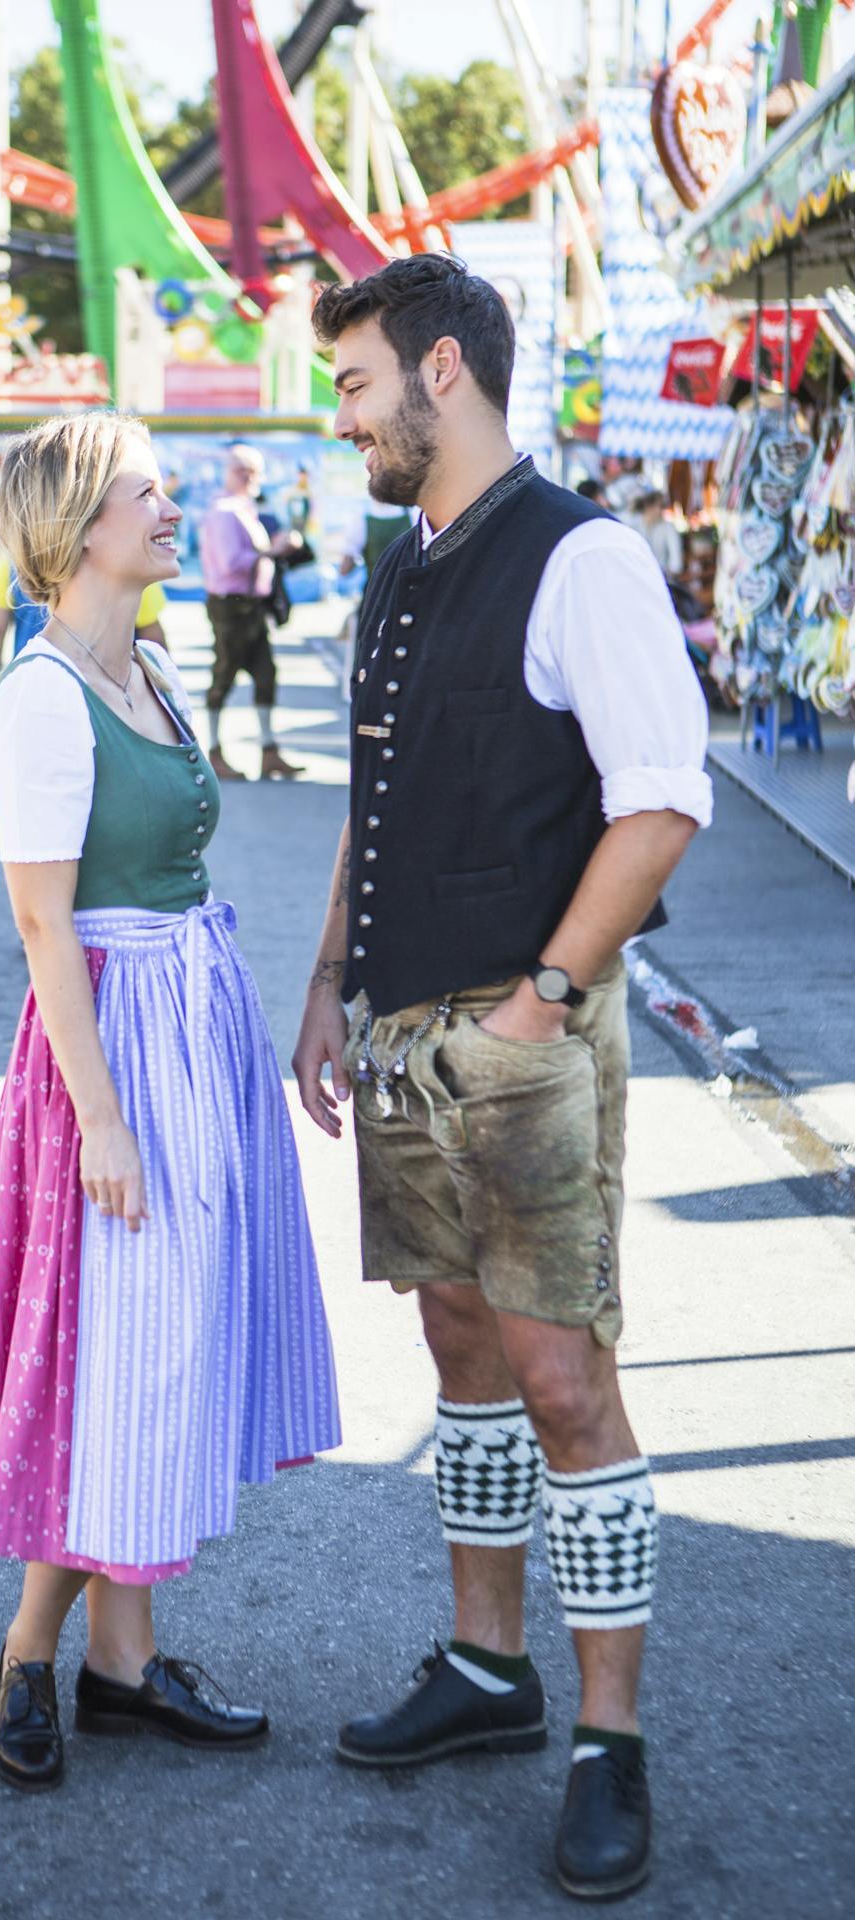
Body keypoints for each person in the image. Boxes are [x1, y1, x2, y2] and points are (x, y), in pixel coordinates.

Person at [294, 254, 712, 1902]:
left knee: (562, 1380)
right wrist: (329, 976)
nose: (344, 418)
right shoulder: (407, 560)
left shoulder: (582, 557)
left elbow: (664, 799)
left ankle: (612, 1738)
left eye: (355, 386)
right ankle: (487, 1668)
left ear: (441, 371)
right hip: (400, 1029)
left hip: (520, 1037)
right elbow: (372, 794)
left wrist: (542, 1004)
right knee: (459, 1345)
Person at [0, 411, 341, 1795]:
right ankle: (27, 1649)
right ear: (77, 525)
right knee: (121, 1349)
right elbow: (46, 928)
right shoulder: (45, 693)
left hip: (194, 1021)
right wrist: (103, 1117)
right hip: (111, 1044)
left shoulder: (160, 666)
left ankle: (122, 1665)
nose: (173, 509)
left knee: (163, 1347)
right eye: (148, 492)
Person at [198, 443, 302, 783]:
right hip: (232, 605)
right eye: (244, 471)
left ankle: (268, 750)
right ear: (233, 473)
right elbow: (230, 563)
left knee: (266, 673)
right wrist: (271, 551)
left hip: (250, 605)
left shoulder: (242, 508)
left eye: (254, 471)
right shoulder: (227, 512)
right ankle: (213, 751)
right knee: (224, 674)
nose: (250, 478)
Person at [0, 555, 168, 718]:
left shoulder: (13, 559)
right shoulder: (125, 560)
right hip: (110, 699)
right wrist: (165, 693)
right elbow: (152, 636)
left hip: (34, 689)